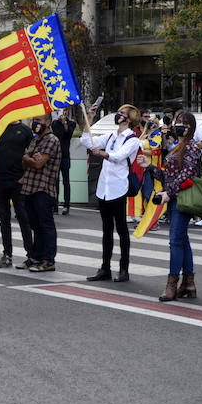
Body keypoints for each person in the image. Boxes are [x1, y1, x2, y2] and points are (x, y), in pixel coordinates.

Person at [81, 103, 142, 282]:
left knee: (122, 229)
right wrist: (89, 119)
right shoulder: (110, 135)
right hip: (104, 188)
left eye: (122, 113)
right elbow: (86, 140)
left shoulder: (132, 139)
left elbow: (118, 156)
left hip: (118, 188)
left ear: (129, 119)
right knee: (106, 229)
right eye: (119, 112)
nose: (118, 115)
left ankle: (124, 269)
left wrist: (101, 153)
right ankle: (105, 268)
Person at [154, 111, 202, 301]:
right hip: (175, 197)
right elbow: (169, 175)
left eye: (184, 123)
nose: (179, 125)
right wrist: (149, 168)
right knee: (182, 240)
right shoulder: (176, 146)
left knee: (175, 241)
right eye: (178, 122)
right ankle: (189, 283)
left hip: (183, 198)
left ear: (191, 127)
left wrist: (169, 192)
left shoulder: (191, 147)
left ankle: (172, 284)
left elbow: (187, 174)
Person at [19, 115, 62, 271]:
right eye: (34, 120)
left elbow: (38, 163)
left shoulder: (51, 140)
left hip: (44, 188)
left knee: (46, 225)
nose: (36, 123)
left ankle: (48, 260)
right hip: (30, 187)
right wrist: (28, 159)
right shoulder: (35, 140)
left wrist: (28, 158)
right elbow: (24, 163)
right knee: (35, 225)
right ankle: (35, 257)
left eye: (39, 120)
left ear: (48, 122)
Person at [0, 116, 35, 269]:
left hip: (17, 181)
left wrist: (25, 177)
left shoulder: (25, 131)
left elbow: (33, 154)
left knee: (23, 218)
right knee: (4, 218)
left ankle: (31, 255)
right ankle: (7, 255)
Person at [50, 109, 75, 214]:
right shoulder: (55, 123)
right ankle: (55, 206)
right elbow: (56, 133)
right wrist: (59, 120)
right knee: (55, 182)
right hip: (55, 156)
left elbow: (68, 133)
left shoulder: (72, 123)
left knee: (66, 182)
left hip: (65, 156)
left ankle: (66, 205)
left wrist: (64, 122)